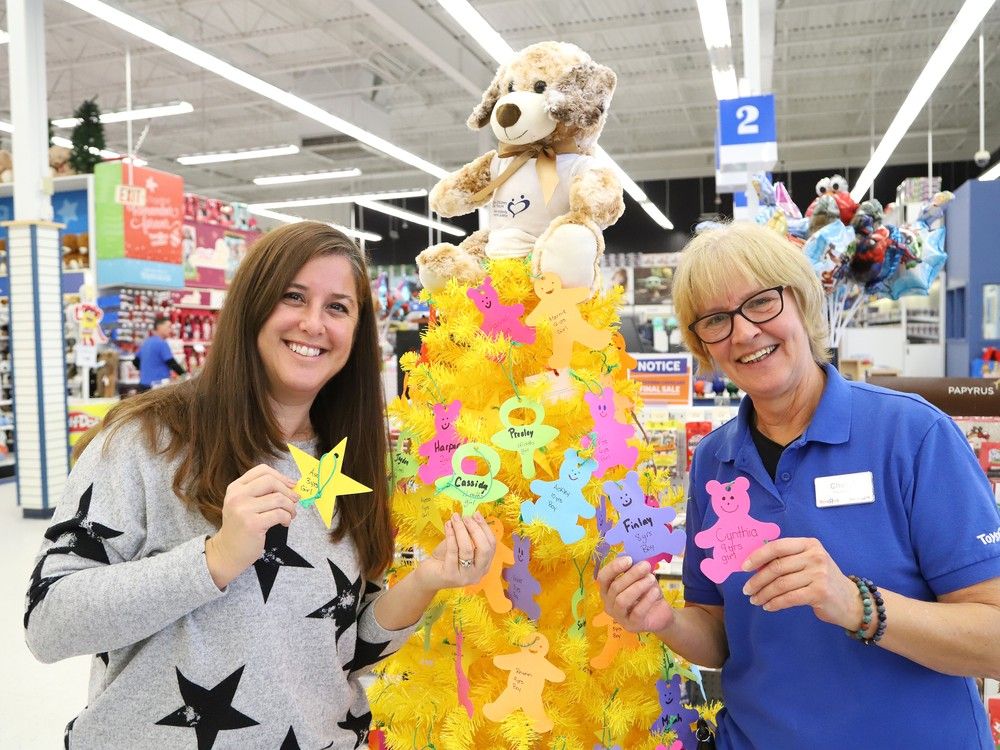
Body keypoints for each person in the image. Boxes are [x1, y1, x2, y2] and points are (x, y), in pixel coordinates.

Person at [26, 221, 497, 749]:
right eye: (293, 297)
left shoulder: (348, 461)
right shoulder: (146, 440)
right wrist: (215, 558)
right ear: (251, 305)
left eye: (338, 307)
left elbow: (339, 651)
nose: (313, 323)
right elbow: (48, 623)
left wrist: (426, 581)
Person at [597, 222, 1000, 748]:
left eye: (761, 302)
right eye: (716, 320)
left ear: (802, 301)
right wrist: (665, 621)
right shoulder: (715, 461)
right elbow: (719, 634)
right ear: (703, 345)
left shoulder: (912, 435)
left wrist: (856, 604)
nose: (744, 333)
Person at [134, 316, 186, 391]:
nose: (170, 330)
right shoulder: (161, 343)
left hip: (143, 385)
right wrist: (184, 374)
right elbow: (171, 362)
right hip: (157, 387)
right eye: (168, 327)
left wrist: (147, 371)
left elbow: (135, 361)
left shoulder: (146, 342)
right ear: (160, 327)